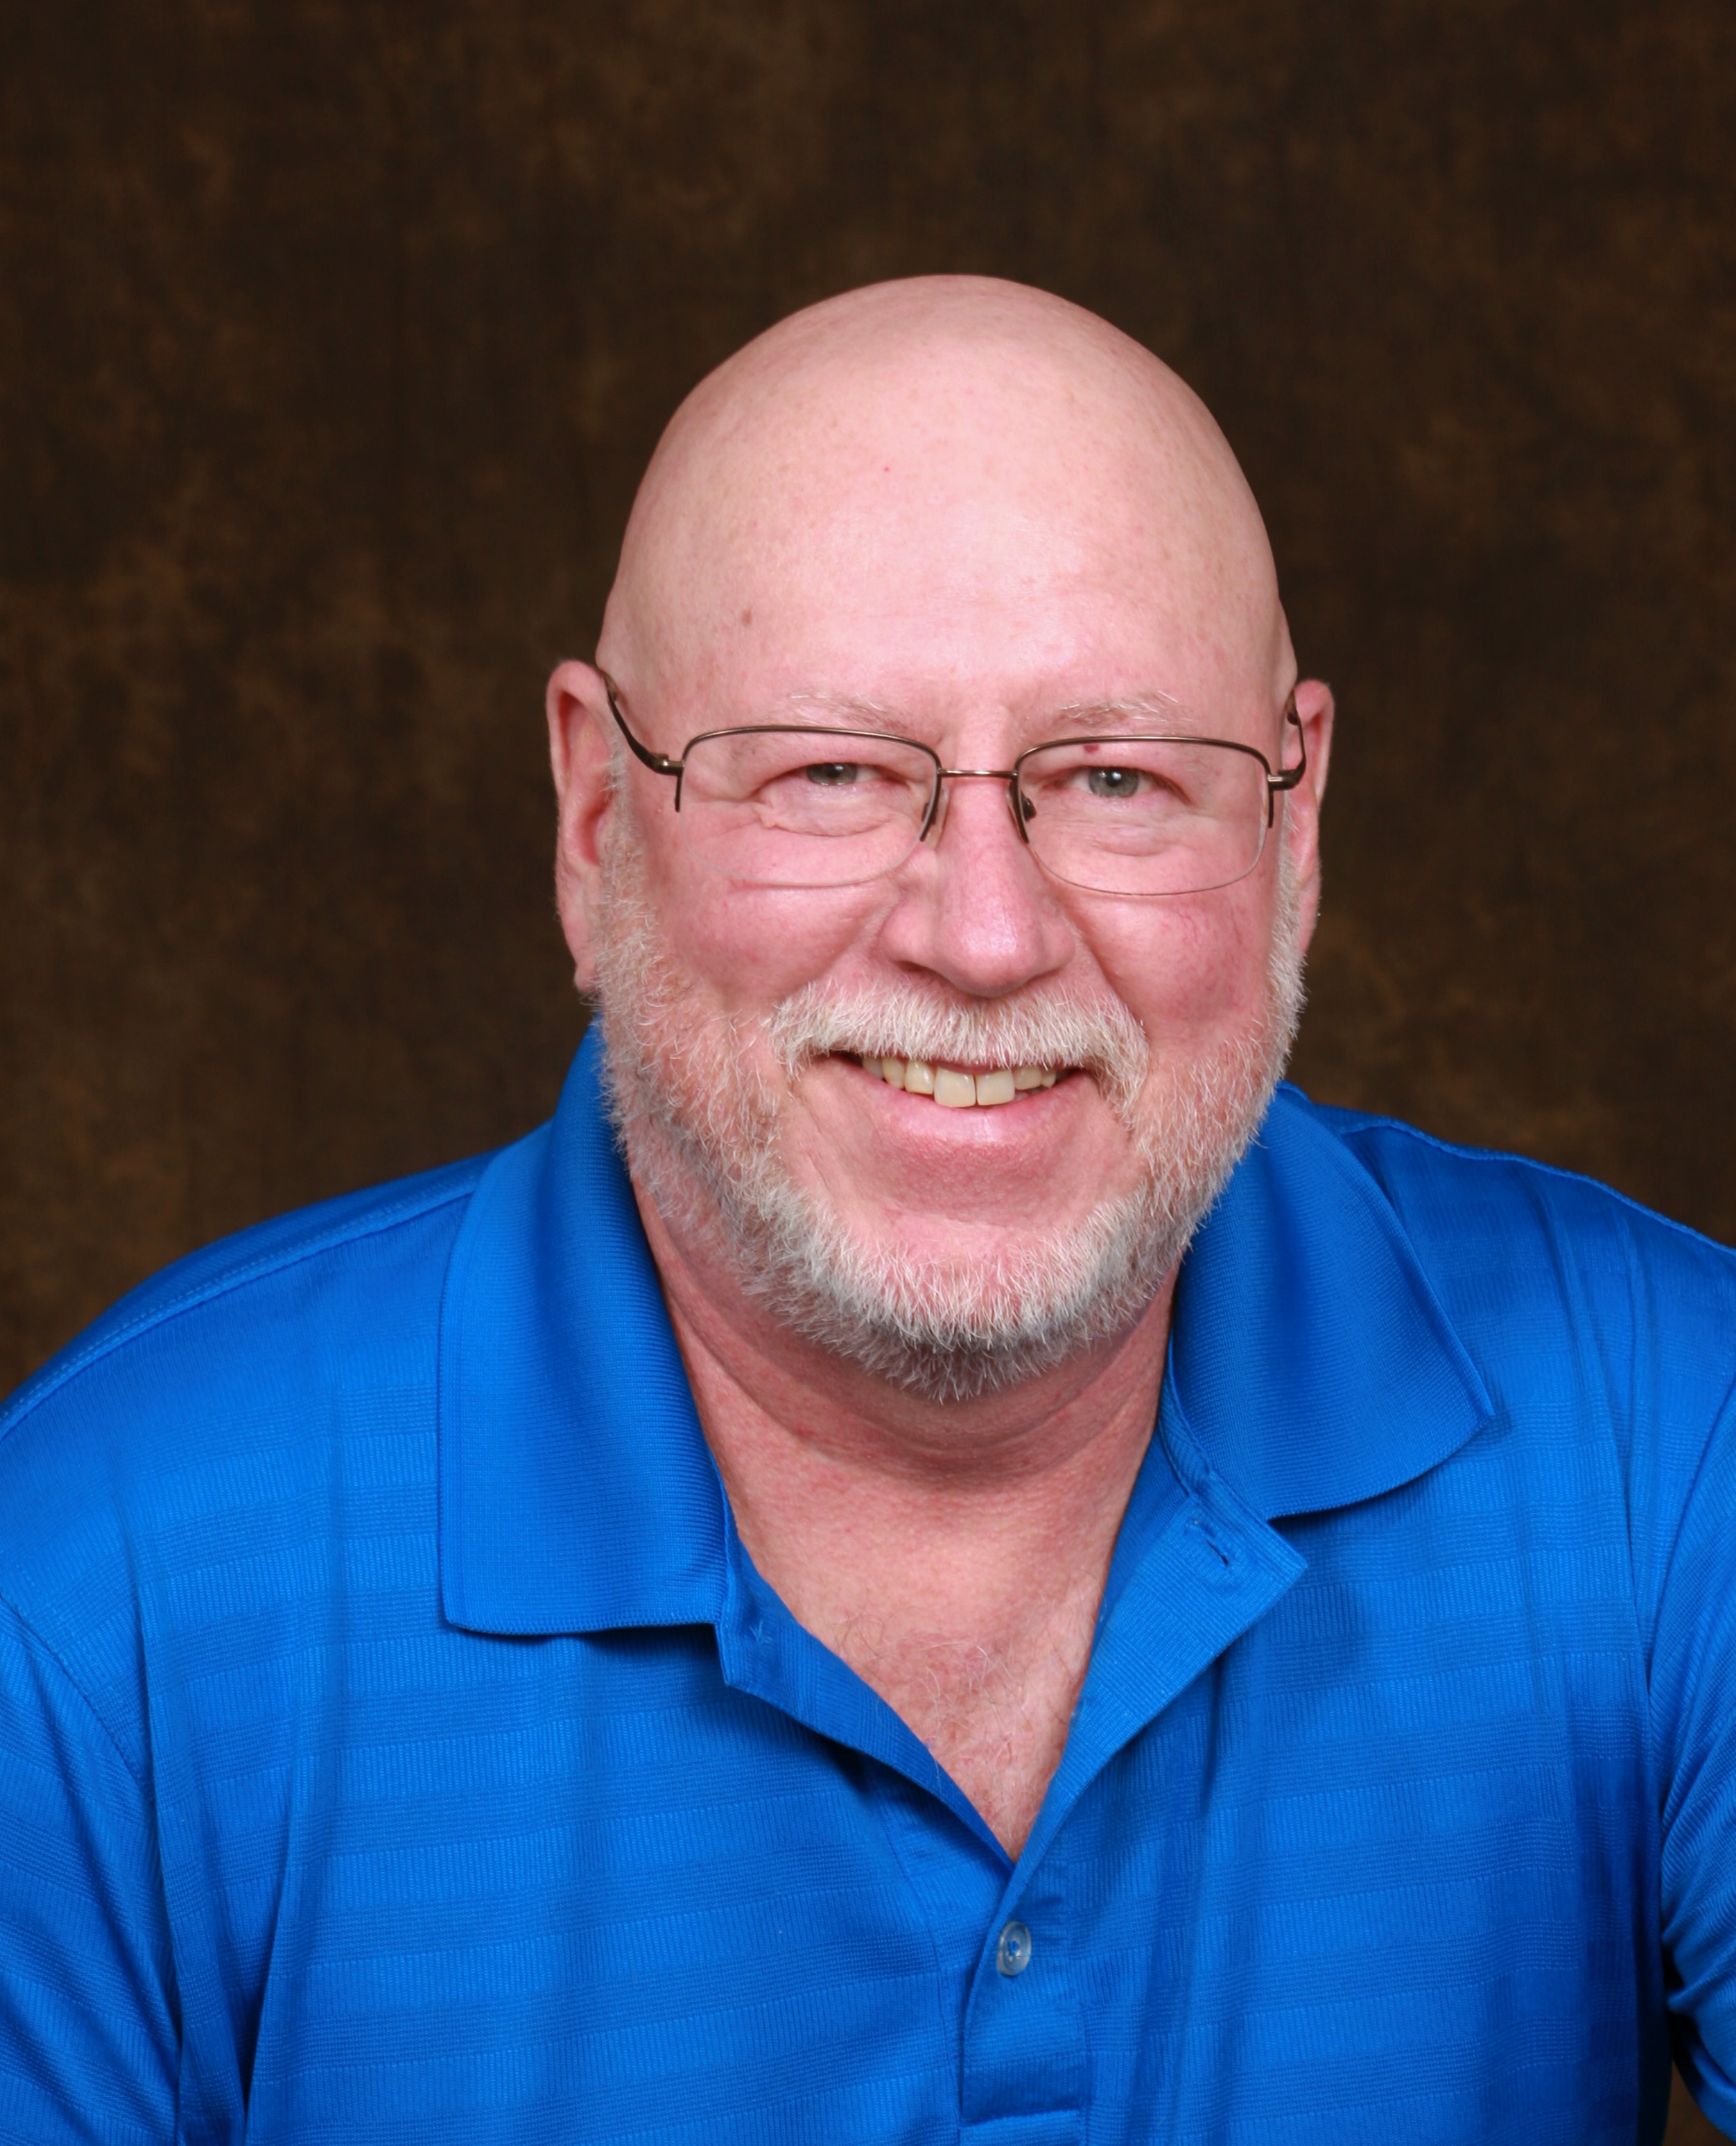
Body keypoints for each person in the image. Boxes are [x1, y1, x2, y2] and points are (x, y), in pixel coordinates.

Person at [0, 276, 1731, 2146]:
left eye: (1119, 777)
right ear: (597, 822)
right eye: (829, 771)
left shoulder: (1668, 1437)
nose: (984, 934)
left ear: (1291, 837)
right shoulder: (102, 1592)